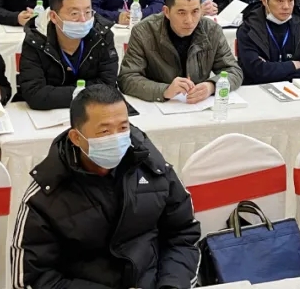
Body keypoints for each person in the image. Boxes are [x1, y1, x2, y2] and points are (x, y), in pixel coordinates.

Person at [11, 84, 199, 288]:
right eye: (105, 131)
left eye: (123, 128)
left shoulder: (153, 168)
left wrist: (172, 284)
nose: (116, 138)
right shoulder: (45, 196)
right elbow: (32, 279)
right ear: (76, 138)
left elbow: (183, 235)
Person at [118, 0, 242, 101]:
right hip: (158, 104)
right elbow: (127, 78)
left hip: (197, 104)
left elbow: (234, 71)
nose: (189, 20)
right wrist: (164, 90)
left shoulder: (212, 30)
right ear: (167, 12)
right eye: (181, 13)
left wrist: (212, 86)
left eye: (195, 12)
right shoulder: (144, 32)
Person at [17, 0, 119, 109]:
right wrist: (85, 93)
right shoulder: (36, 40)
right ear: (54, 17)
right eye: (74, 14)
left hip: (93, 110)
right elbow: (34, 93)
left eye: (87, 12)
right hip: (48, 114)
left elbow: (108, 86)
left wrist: (60, 94)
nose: (83, 20)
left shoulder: (102, 35)